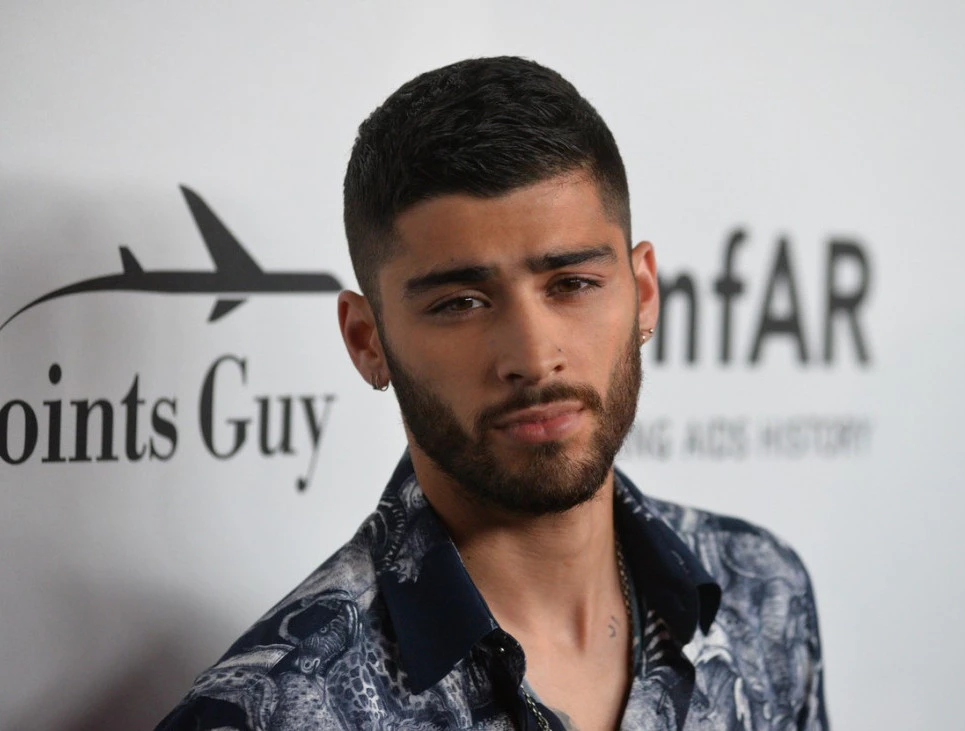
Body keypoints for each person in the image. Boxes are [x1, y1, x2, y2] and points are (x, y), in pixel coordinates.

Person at [156, 56, 827, 731]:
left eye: (573, 284)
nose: (533, 358)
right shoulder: (263, 713)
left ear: (643, 293)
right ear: (367, 340)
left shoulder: (761, 593)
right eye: (461, 303)